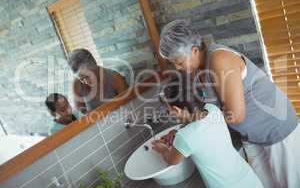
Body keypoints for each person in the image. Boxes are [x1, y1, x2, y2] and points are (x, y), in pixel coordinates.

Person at [158, 19, 300, 188]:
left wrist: (192, 120)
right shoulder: (197, 71)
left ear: (194, 50)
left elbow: (236, 116)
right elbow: (210, 112)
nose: (177, 67)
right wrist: (188, 127)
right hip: (252, 138)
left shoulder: (220, 59)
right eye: (173, 63)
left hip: (276, 131)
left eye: (179, 62)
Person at [151, 99, 263, 188]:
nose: (169, 113)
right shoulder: (212, 109)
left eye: (168, 109)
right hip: (247, 177)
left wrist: (164, 150)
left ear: (176, 109)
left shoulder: (185, 136)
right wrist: (177, 131)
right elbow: (199, 127)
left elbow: (172, 161)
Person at [68, 49, 128, 114]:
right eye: (81, 79)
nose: (86, 81)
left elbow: (128, 103)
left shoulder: (114, 77)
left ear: (95, 66)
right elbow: (80, 112)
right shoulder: (76, 84)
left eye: (88, 76)